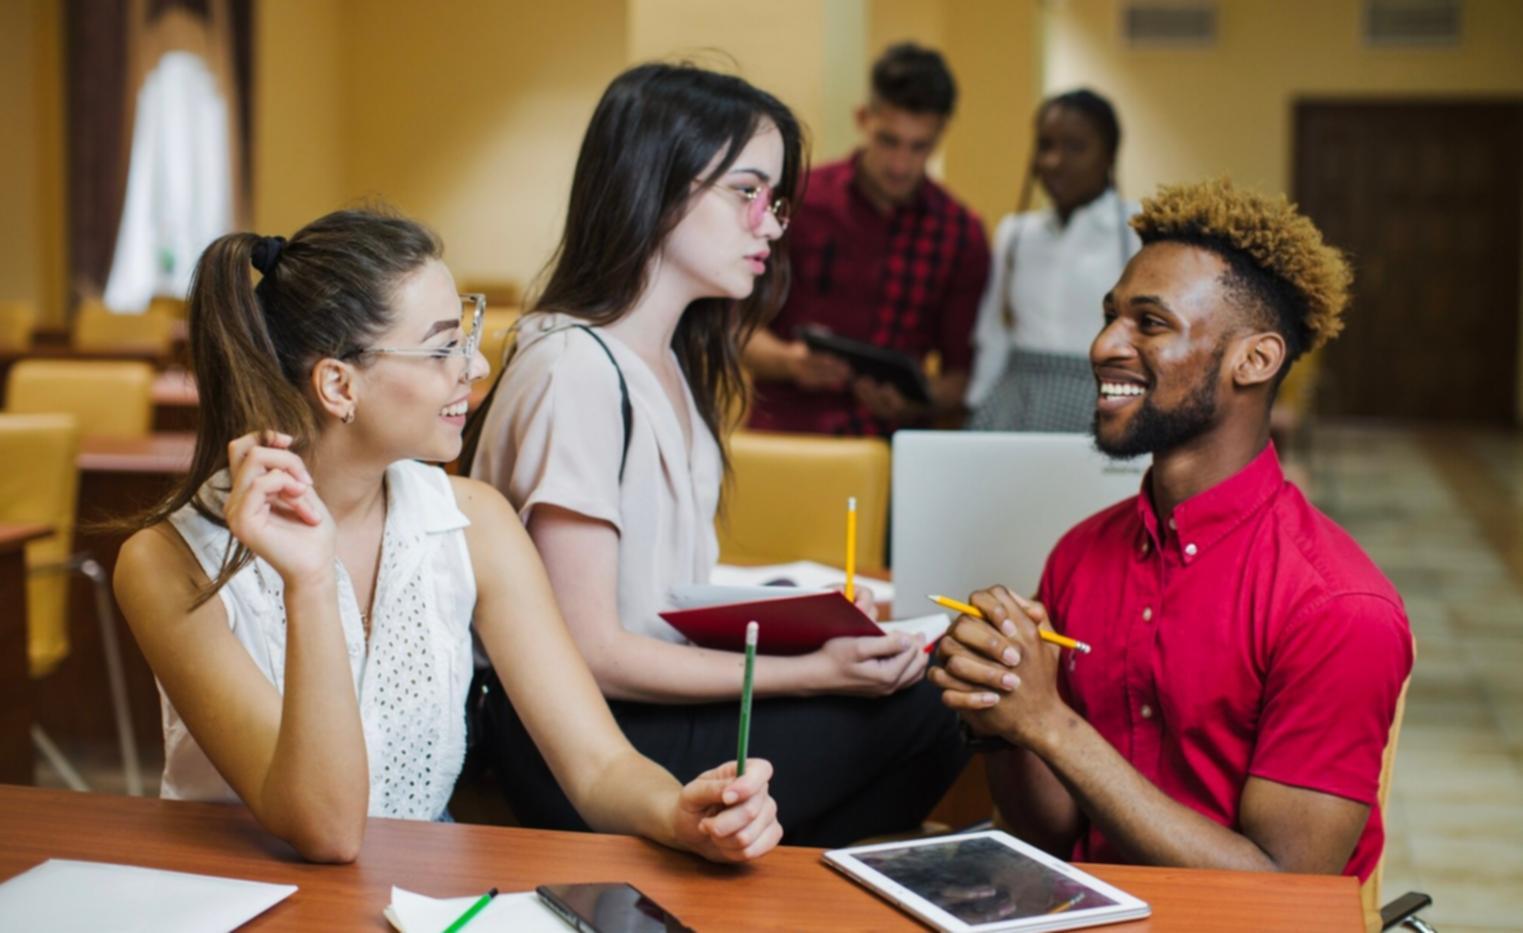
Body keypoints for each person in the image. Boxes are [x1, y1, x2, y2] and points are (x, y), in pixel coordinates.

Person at [112, 209, 782, 864]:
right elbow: (326, 830)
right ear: (338, 384)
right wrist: (310, 581)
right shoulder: (165, 563)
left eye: (467, 338)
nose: (475, 368)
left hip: (422, 898)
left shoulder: (473, 523)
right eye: (441, 349)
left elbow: (599, 762)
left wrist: (676, 811)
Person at [467, 62, 966, 847]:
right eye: (746, 192)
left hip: (646, 707)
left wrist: (807, 627)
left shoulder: (668, 361)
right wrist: (812, 669)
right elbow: (592, 651)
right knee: (936, 703)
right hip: (577, 741)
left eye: (776, 200)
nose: (770, 223)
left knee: (938, 682)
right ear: (655, 185)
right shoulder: (574, 371)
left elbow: (654, 596)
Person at [931, 179, 1413, 882]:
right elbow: (1056, 827)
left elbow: (1284, 892)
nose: (1101, 346)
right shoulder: (1081, 554)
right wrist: (998, 709)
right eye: (1108, 317)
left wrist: (1048, 722)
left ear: (1254, 359)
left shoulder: (1336, 606)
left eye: (1148, 323)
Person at [742, 43, 989, 436]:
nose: (900, 164)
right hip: (788, 440)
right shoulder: (799, 201)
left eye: (919, 146)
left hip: (889, 453)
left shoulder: (961, 234)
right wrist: (790, 362)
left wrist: (918, 400)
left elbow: (961, 378)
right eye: (889, 140)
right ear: (863, 118)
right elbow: (736, 329)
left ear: (941, 134)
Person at [967, 89, 1141, 431]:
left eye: (1075, 147)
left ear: (1109, 155)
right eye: (1045, 146)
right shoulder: (1016, 233)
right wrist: (974, 406)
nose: (1053, 161)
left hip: (1107, 397)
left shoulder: (1136, 228)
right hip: (1016, 403)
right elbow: (994, 334)